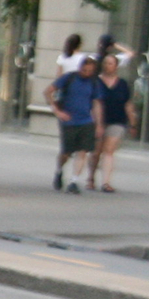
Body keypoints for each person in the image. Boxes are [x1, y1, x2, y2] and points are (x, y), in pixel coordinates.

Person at [45, 51, 102, 193]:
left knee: (82, 151)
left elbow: (96, 103)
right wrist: (57, 111)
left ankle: (74, 181)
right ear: (80, 67)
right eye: (84, 70)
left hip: (86, 121)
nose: (87, 73)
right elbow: (48, 91)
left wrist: (99, 123)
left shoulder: (93, 83)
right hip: (68, 121)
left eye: (90, 71)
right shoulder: (68, 78)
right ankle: (59, 170)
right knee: (66, 153)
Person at [92, 48, 134, 192]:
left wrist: (132, 122)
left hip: (117, 120)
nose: (107, 66)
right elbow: (93, 102)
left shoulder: (122, 84)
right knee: (97, 152)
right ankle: (91, 177)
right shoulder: (96, 81)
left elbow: (127, 103)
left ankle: (106, 182)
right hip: (98, 120)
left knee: (109, 151)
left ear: (116, 66)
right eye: (106, 63)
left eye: (111, 63)